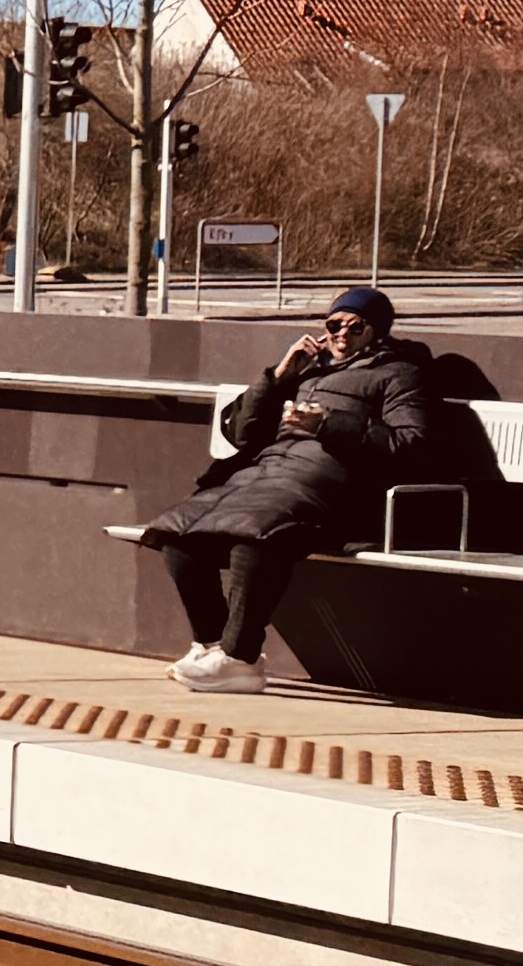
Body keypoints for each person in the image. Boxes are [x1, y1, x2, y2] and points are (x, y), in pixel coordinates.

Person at [152, 283, 464, 690]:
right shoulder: (309, 369)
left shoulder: (401, 374)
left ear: (377, 332)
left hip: (338, 492)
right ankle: (212, 646)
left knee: (256, 537)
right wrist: (279, 376)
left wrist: (327, 425)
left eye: (356, 327)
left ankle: (240, 656)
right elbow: (242, 433)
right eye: (335, 325)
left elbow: (412, 447)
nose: (341, 335)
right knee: (180, 536)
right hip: (266, 477)